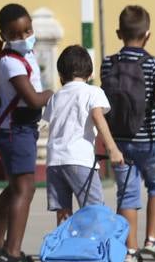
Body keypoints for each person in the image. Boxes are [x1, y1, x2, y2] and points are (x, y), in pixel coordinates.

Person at [100, 5, 155, 262]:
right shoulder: (153, 64)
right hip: (151, 141)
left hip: (120, 142)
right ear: (148, 35)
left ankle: (130, 249)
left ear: (119, 33)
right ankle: (153, 240)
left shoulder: (108, 64)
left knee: (127, 192)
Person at [0, 3, 52, 262]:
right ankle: (12, 253)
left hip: (21, 130)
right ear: (3, 36)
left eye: (27, 31)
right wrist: (54, 94)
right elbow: (32, 99)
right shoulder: (9, 62)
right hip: (15, 130)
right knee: (26, 189)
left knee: (14, 188)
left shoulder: (26, 56)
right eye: (16, 34)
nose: (23, 38)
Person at [43, 46, 124, 224]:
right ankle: (93, 249)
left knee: (63, 213)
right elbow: (97, 116)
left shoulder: (56, 97)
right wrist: (113, 149)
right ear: (90, 73)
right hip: (79, 160)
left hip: (55, 161)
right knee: (94, 210)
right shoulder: (93, 92)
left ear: (61, 76)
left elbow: (48, 122)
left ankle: (65, 249)